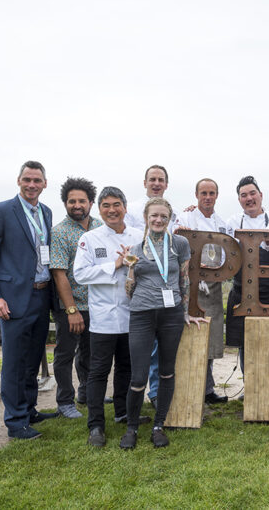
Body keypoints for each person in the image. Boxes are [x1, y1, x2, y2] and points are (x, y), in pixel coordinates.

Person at [0, 160, 58, 439]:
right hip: (11, 299)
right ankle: (15, 421)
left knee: (33, 357)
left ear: (45, 183)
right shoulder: (1, 211)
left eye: (37, 180)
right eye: (27, 180)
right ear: (19, 181)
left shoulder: (45, 212)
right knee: (14, 362)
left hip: (41, 294)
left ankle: (29, 409)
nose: (32, 185)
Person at [120, 197, 206, 449]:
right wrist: (129, 269)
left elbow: (184, 279)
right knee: (138, 376)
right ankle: (131, 428)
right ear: (146, 218)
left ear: (169, 219)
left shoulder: (179, 244)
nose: (158, 220)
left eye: (163, 217)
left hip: (170, 315)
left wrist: (186, 311)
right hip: (142, 314)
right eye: (154, 216)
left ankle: (158, 425)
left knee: (167, 371)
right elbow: (129, 292)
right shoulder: (135, 249)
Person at [74, 186, 144, 447]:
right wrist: (114, 265)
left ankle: (124, 413)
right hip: (103, 317)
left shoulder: (139, 235)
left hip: (133, 314)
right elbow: (80, 274)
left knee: (127, 368)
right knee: (98, 372)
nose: (112, 210)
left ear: (125, 207)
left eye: (116, 205)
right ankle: (96, 425)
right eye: (106, 205)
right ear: (99, 209)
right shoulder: (90, 239)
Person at [123, 165, 176, 409]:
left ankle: (156, 394)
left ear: (166, 184)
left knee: (162, 351)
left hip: (165, 291)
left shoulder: (171, 212)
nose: (156, 183)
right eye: (152, 179)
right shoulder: (133, 210)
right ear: (144, 182)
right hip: (142, 289)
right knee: (144, 352)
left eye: (161, 180)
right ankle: (136, 399)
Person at [49, 177, 102, 418]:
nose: (77, 205)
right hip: (69, 306)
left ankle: (87, 393)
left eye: (82, 200)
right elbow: (59, 274)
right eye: (72, 201)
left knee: (90, 354)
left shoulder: (101, 228)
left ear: (91, 202)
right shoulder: (59, 233)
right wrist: (72, 311)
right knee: (65, 355)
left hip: (97, 304)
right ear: (65, 203)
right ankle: (65, 401)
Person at [174, 178, 230, 404]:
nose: (208, 197)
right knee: (188, 338)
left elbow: (227, 255)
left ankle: (207, 390)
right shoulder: (185, 217)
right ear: (196, 195)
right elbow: (173, 241)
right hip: (190, 285)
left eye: (212, 193)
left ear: (217, 195)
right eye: (203, 193)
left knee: (210, 338)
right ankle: (189, 388)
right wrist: (179, 232)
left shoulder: (222, 223)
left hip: (213, 286)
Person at [225, 176, 269, 374]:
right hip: (242, 290)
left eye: (253, 193)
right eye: (244, 195)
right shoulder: (232, 222)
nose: (249, 198)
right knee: (245, 341)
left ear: (261, 195)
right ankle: (248, 384)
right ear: (239, 200)